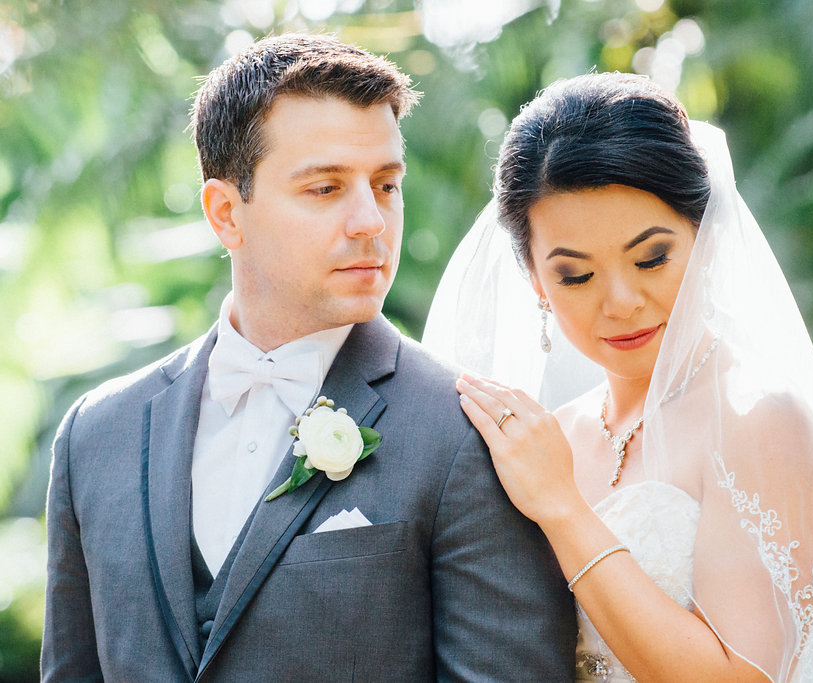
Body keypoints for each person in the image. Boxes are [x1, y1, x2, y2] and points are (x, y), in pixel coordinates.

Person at [42, 33, 576, 681]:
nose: (371, 221)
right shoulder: (94, 436)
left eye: (386, 185)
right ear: (225, 213)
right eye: (325, 188)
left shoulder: (467, 434)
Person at [424, 72, 813, 681]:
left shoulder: (761, 418)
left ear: (707, 238)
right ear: (537, 286)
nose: (621, 301)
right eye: (576, 275)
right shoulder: (552, 439)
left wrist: (564, 510)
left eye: (651, 257)